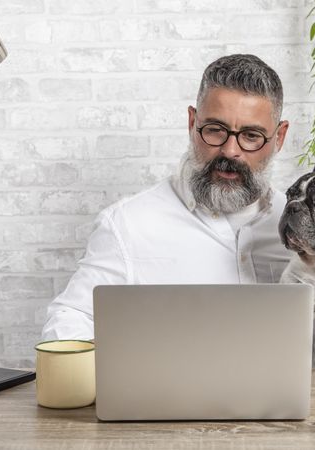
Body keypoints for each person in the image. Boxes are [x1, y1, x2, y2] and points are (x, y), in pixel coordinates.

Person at [42, 54, 293, 340]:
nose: (229, 151)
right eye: (214, 130)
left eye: (251, 136)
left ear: (280, 137)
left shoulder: (301, 230)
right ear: (191, 123)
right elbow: (70, 319)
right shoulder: (127, 225)